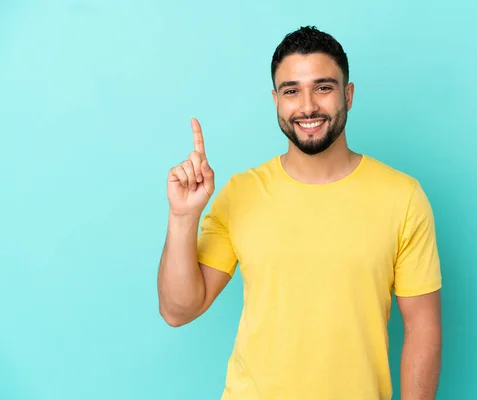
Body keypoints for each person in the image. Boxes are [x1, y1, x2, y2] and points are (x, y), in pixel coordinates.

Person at [157, 26, 442, 400]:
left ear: (348, 95)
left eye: (323, 87)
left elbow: (423, 329)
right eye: (291, 91)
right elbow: (179, 310)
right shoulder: (242, 193)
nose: (307, 105)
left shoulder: (402, 197)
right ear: (276, 99)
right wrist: (183, 217)